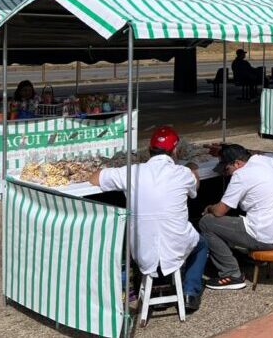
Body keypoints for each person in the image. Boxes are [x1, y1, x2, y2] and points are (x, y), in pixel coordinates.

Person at [89, 126, 208, 313]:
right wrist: (192, 168)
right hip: (177, 242)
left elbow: (95, 179)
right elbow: (195, 186)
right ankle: (189, 292)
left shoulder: (132, 171)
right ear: (175, 150)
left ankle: (156, 291)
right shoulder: (183, 173)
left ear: (149, 150)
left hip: (141, 248)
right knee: (201, 246)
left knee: (154, 239)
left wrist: (109, 169)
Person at [200, 145, 273, 290]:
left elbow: (219, 211)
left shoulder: (241, 175)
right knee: (238, 216)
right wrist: (222, 150)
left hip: (269, 238)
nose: (226, 174)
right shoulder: (267, 161)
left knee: (207, 222)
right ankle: (244, 257)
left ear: (237, 163)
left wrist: (209, 208)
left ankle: (231, 275)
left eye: (226, 169)